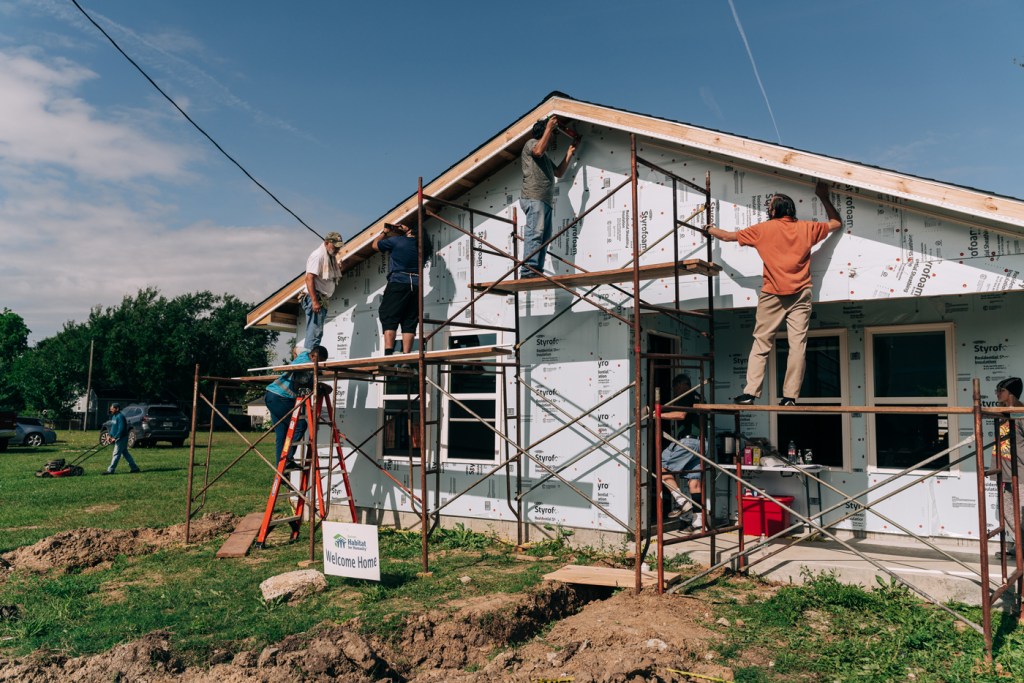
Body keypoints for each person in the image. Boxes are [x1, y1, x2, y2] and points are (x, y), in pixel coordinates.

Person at [708, 181, 842, 406]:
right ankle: (790, 396)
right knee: (797, 345)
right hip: (801, 293)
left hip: (772, 295)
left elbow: (728, 237)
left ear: (773, 211)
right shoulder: (807, 228)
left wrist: (709, 229)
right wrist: (823, 196)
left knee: (761, 343)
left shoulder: (762, 230)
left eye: (769, 206)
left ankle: (750, 393)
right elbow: (836, 223)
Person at [519, 116, 580, 278]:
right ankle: (528, 270)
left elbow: (559, 172)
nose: (553, 137)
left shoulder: (545, 157)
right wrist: (549, 128)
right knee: (535, 233)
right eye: (552, 133)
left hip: (544, 201)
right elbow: (538, 151)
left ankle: (536, 270)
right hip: (533, 197)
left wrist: (569, 153)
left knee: (544, 237)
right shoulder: (531, 144)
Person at [264, 345, 328, 468]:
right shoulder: (306, 366)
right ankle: (287, 460)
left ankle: (281, 468)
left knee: (282, 435)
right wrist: (319, 387)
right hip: (280, 398)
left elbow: (296, 349)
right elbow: (301, 387)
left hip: (273, 396)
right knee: (300, 425)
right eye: (320, 361)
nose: (319, 365)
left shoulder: (304, 354)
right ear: (314, 356)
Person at [660, 374, 705, 528]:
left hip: (688, 441)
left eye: (675, 388)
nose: (675, 392)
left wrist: (657, 414)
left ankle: (681, 501)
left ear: (680, 385)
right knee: (694, 483)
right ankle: (699, 522)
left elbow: (680, 414)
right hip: (701, 442)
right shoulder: (699, 397)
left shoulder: (687, 395)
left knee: (661, 466)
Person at [372, 222, 423, 355]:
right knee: (409, 320)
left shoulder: (396, 241)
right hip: (416, 285)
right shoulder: (422, 244)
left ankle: (389, 354)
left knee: (389, 316)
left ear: (407, 228)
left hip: (399, 282)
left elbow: (374, 245)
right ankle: (406, 356)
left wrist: (385, 232)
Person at [994, 377, 1024, 558]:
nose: (997, 394)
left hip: (1021, 473)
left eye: (1000, 390)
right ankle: (1018, 547)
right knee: (1008, 513)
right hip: (1005, 473)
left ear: (1010, 393)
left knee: (1022, 515)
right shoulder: (1002, 413)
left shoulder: (1021, 414)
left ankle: (1020, 549)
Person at [300, 231, 344, 352]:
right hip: (315, 297)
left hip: (321, 297)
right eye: (334, 246)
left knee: (316, 331)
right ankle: (308, 360)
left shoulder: (330, 258)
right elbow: (309, 278)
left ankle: (308, 357)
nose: (336, 249)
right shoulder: (318, 255)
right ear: (326, 243)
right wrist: (314, 301)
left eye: (338, 247)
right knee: (315, 331)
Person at [103, 403, 140, 475]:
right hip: (118, 437)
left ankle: (110, 470)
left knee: (116, 453)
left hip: (122, 438)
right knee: (125, 454)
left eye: (112, 408)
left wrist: (115, 438)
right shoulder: (114, 416)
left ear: (117, 409)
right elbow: (113, 428)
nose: (110, 409)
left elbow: (121, 429)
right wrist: (109, 436)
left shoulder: (120, 417)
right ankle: (134, 468)